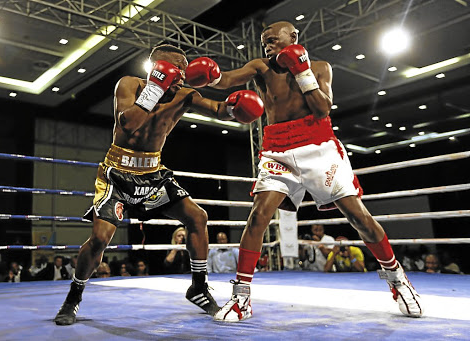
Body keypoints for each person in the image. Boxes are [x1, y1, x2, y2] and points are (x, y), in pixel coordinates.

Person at [186, 20, 422, 321]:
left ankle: (398, 280)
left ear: (293, 37)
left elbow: (323, 108)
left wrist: (301, 69)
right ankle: (241, 297)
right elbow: (226, 80)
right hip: (277, 148)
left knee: (357, 215)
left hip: (318, 144)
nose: (267, 45)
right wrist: (210, 75)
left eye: (273, 39)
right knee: (259, 215)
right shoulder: (261, 67)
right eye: (264, 41)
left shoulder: (321, 67)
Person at [54, 44, 264, 325]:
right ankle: (73, 297)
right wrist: (155, 87)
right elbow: (128, 124)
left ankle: (198, 287)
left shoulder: (186, 94)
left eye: (185, 68)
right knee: (100, 239)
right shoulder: (129, 85)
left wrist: (237, 107)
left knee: (197, 217)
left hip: (153, 172)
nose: (183, 73)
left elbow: (217, 108)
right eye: (178, 67)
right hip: (118, 171)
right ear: (157, 67)